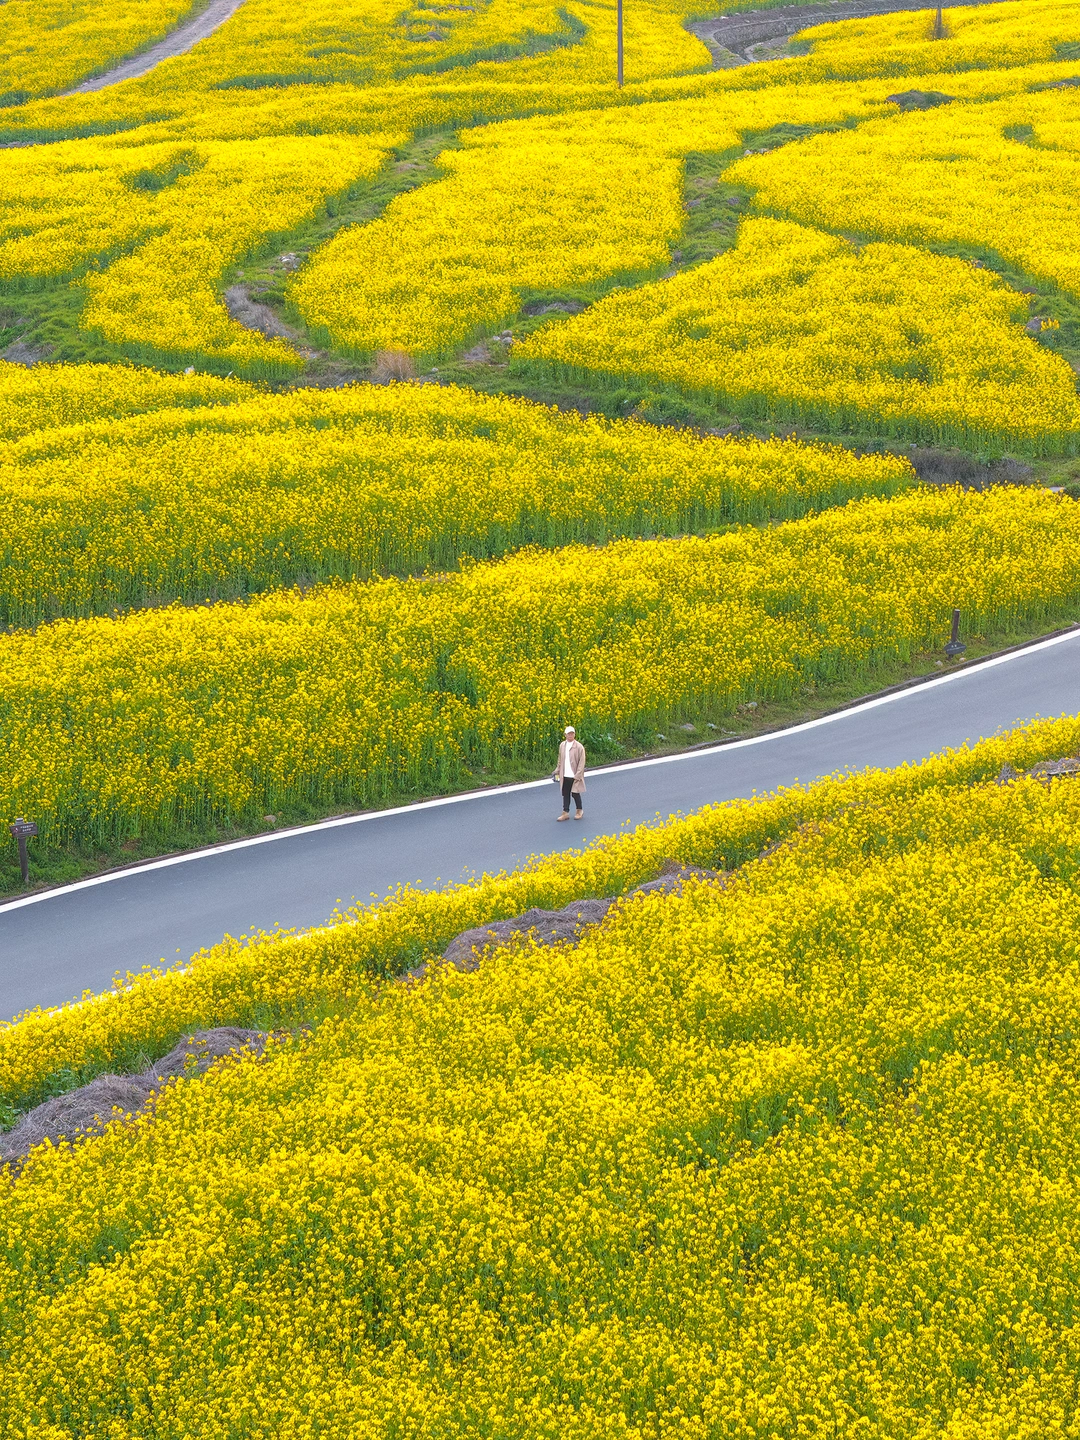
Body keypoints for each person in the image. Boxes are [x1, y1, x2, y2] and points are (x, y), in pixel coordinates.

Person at [555, 725, 586, 821]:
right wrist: (557, 770)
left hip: (574, 775)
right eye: (569, 734)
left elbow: (582, 762)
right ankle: (565, 812)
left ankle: (579, 810)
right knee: (565, 793)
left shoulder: (579, 747)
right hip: (565, 774)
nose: (570, 735)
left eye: (572, 733)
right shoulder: (562, 745)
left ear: (574, 734)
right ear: (565, 735)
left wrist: (578, 774)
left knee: (575, 793)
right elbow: (560, 759)